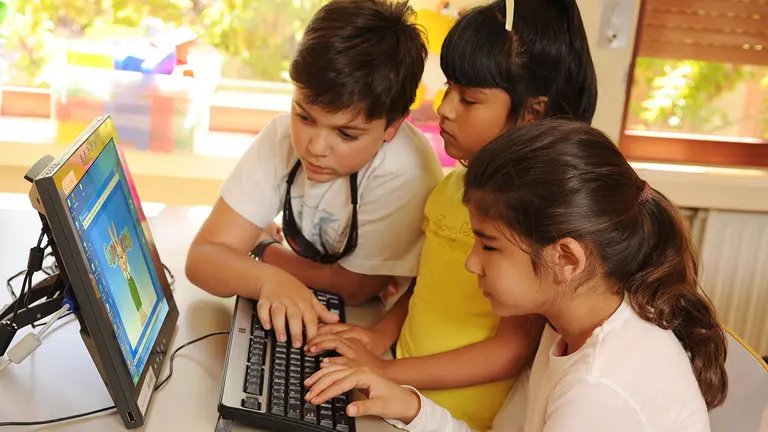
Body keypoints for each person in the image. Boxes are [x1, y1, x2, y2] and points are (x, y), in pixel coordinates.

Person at [303, 119, 729, 431]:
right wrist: (412, 409)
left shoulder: (597, 391)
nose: (471, 263)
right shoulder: (567, 325)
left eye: (488, 245)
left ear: (566, 259)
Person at [303, 0, 597, 429]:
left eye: (469, 99)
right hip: (398, 390)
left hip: (451, 416)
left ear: (532, 113)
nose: (445, 108)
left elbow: (509, 351)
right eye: (448, 88)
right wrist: (378, 338)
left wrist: (385, 371)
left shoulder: (531, 220)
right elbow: (427, 284)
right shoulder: (453, 186)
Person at [185, 0, 442, 349]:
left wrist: (263, 249)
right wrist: (267, 281)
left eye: (346, 134)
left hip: (373, 329)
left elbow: (356, 288)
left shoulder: (405, 172)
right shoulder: (280, 138)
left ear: (392, 127)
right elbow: (202, 259)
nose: (315, 147)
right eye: (304, 116)